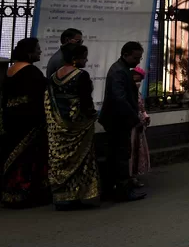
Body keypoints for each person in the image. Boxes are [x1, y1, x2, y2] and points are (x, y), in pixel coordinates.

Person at [45, 43, 99, 210]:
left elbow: (50, 101)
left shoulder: (54, 76)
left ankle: (62, 197)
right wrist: (92, 116)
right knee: (80, 159)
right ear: (76, 59)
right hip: (78, 125)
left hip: (58, 126)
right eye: (84, 57)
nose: (86, 60)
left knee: (60, 159)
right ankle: (77, 194)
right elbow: (85, 101)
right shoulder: (81, 75)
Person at [0, 38, 51, 208]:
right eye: (37, 49)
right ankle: (26, 193)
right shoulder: (31, 72)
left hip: (11, 118)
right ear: (29, 52)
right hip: (29, 120)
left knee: (12, 154)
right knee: (28, 158)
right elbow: (40, 96)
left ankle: (10, 192)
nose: (40, 52)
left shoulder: (11, 70)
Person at [99, 41, 146, 202]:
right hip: (117, 120)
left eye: (140, 57)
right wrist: (134, 118)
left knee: (116, 154)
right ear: (125, 54)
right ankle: (121, 190)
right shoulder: (119, 72)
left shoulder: (122, 69)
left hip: (118, 119)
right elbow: (120, 99)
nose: (138, 61)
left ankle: (112, 189)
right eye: (135, 57)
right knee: (120, 154)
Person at [129, 67, 151, 188]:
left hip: (139, 127)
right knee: (131, 151)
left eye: (139, 81)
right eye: (135, 80)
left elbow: (141, 109)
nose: (137, 83)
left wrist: (145, 117)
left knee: (138, 150)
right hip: (131, 126)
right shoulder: (127, 93)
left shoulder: (137, 94)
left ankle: (134, 176)